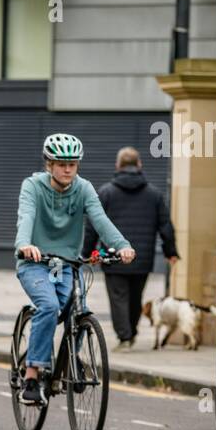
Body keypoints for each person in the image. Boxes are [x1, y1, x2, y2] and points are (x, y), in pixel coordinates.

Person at [14, 133, 135, 406]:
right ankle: (32, 375)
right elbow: (27, 217)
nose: (68, 169)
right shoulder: (32, 186)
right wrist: (24, 244)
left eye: (72, 164)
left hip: (67, 264)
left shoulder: (84, 188)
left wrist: (122, 245)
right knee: (48, 306)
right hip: (35, 263)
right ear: (49, 164)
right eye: (61, 163)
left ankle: (71, 358)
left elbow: (101, 220)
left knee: (80, 310)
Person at [81, 146, 179, 350]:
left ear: (118, 165)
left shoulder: (106, 192)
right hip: (141, 257)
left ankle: (125, 337)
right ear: (139, 165)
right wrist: (170, 251)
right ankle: (131, 332)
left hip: (113, 257)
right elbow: (165, 225)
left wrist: (86, 253)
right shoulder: (154, 194)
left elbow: (93, 226)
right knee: (136, 297)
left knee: (118, 298)